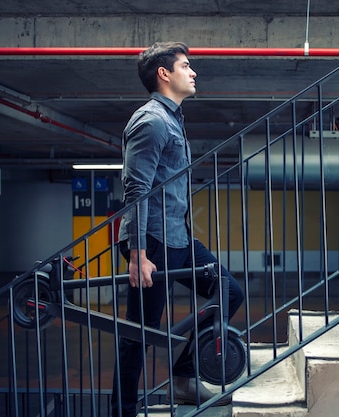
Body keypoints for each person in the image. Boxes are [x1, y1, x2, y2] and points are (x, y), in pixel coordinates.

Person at [111, 42, 244, 417]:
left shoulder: (172, 119)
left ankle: (184, 374)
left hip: (178, 237)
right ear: (164, 74)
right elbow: (136, 187)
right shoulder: (152, 120)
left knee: (228, 291)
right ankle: (121, 410)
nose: (194, 72)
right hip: (152, 241)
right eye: (186, 66)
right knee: (140, 332)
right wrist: (137, 254)